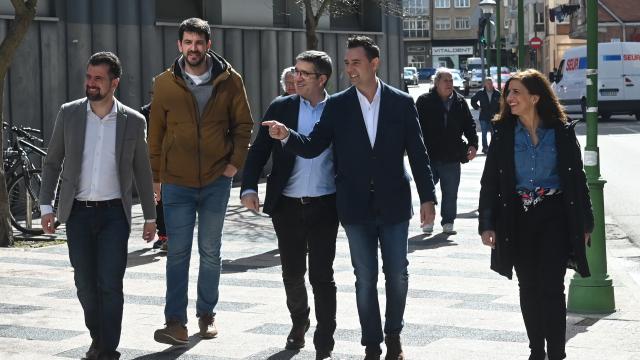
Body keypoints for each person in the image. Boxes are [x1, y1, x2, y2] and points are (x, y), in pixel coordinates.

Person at [263, 35, 437, 360]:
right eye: (346, 63)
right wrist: (288, 136)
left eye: (355, 62)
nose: (349, 69)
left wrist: (428, 198)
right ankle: (372, 343)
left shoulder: (401, 102)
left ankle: (394, 334)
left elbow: (418, 152)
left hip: (395, 204)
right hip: (355, 207)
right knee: (365, 276)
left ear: (374, 64)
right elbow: (314, 145)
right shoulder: (338, 105)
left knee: (397, 274)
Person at [39, 52, 157, 360]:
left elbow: (143, 172)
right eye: (89, 77)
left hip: (114, 216)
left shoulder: (133, 121)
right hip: (77, 212)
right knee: (85, 285)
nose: (90, 84)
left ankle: (107, 349)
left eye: (98, 79)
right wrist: (46, 207)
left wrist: (150, 217)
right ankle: (97, 336)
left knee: (110, 284)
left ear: (114, 83)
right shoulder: (69, 114)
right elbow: (52, 163)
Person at [148, 17, 253, 345]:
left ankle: (206, 314)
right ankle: (175, 322)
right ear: (180, 45)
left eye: (199, 42)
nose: (193, 48)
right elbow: (156, 134)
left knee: (210, 250)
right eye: (187, 42)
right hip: (176, 182)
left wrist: (234, 164)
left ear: (208, 44)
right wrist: (155, 178)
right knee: (177, 252)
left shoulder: (230, 80)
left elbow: (244, 125)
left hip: (215, 181)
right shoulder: (164, 83)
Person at [478, 69, 593, 360]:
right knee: (528, 286)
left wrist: (586, 221)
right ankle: (536, 351)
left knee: (552, 287)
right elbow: (490, 180)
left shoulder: (561, 131)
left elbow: (577, 180)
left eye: (516, 92)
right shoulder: (503, 133)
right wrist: (486, 223)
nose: (510, 97)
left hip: (554, 215)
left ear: (535, 96)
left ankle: (556, 352)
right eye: (508, 92)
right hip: (517, 217)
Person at [241, 51, 337, 360]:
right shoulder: (281, 107)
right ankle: (300, 321)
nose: (296, 77)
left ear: (321, 79)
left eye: (304, 73)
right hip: (287, 205)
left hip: (326, 205)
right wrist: (248, 186)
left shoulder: (338, 109)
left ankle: (325, 338)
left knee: (322, 274)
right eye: (295, 71)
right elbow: (258, 150)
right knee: (293, 272)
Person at [415, 68, 478, 236]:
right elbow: (415, 128)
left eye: (451, 81)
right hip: (429, 155)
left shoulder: (460, 102)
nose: (449, 84)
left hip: (451, 155)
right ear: (437, 83)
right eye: (446, 80)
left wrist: (473, 144)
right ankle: (427, 220)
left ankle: (448, 221)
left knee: (450, 192)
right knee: (427, 190)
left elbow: (470, 125)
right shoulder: (423, 101)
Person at [140, 86, 168, 252]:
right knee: (156, 199)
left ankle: (168, 236)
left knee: (167, 199)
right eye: (153, 94)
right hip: (150, 162)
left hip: (169, 161)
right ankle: (163, 235)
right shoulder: (144, 113)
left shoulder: (172, 113)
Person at [471, 78, 501, 154]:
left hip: (494, 117)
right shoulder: (481, 92)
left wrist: (498, 115)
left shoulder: (497, 93)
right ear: (485, 84)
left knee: (494, 133)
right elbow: (473, 100)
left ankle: (492, 148)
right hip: (483, 116)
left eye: (491, 83)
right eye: (488, 83)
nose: (490, 85)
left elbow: (501, 105)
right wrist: (477, 107)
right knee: (484, 133)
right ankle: (485, 148)